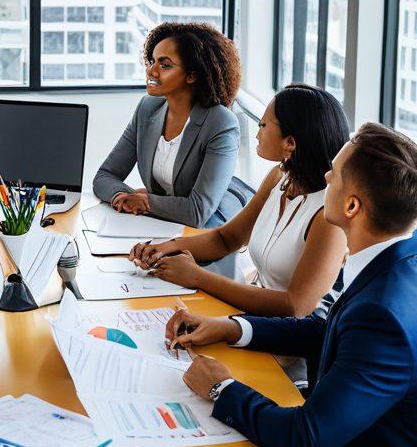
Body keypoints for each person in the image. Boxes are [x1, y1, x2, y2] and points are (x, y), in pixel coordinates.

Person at [167, 123, 417, 447]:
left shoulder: (382, 315)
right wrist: (233, 328)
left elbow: (303, 440)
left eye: (335, 173)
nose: (326, 177)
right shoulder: (397, 258)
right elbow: (329, 329)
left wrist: (221, 388)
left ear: (352, 207)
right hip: (338, 445)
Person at [132, 86, 350, 381]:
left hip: (283, 349)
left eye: (264, 125)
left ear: (290, 144)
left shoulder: (328, 215)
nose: (257, 132)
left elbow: (295, 307)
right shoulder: (280, 177)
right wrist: (166, 247)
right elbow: (228, 238)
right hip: (249, 321)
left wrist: (197, 276)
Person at [93, 21, 243, 228]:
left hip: (206, 230)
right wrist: (123, 196)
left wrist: (146, 202)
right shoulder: (147, 109)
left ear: (192, 75)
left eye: (165, 65)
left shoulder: (221, 123)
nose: (151, 71)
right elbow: (104, 176)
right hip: (162, 223)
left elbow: (198, 211)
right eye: (151, 61)